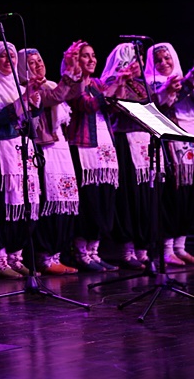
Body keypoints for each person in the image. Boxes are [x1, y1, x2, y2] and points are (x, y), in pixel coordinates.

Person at [17, 45, 83, 275]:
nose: (38, 66)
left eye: (40, 61)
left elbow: (73, 93)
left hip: (60, 145)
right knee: (49, 202)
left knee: (64, 201)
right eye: (31, 63)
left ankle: (56, 254)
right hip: (43, 148)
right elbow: (55, 98)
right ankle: (44, 257)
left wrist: (75, 69)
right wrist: (69, 75)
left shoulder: (50, 84)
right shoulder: (28, 90)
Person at [99, 42, 162, 271]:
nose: (141, 63)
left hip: (145, 144)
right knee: (129, 198)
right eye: (136, 59)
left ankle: (143, 250)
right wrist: (122, 81)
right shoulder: (112, 82)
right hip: (125, 144)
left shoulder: (142, 84)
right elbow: (114, 108)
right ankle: (127, 251)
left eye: (141, 59)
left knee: (146, 196)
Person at [65, 42, 122, 272]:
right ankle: (81, 253)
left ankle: (94, 251)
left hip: (105, 147)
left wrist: (121, 83)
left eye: (93, 55)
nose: (91, 60)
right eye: (85, 56)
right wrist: (114, 86)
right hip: (84, 147)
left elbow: (113, 107)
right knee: (89, 202)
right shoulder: (73, 84)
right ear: (76, 60)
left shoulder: (98, 83)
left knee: (104, 199)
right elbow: (87, 105)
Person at [0, 40, 38, 278]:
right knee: (3, 204)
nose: (8, 60)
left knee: (25, 201)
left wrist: (32, 99)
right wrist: (23, 100)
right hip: (1, 148)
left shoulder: (18, 84)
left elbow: (31, 115)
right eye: (3, 56)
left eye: (12, 56)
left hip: (22, 146)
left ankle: (17, 255)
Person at [144, 42, 194, 266]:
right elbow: (159, 106)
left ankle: (180, 246)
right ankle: (167, 249)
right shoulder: (151, 84)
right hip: (171, 146)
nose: (164, 63)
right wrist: (178, 86)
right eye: (158, 60)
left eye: (167, 58)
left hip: (190, 142)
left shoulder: (183, 80)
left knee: (188, 197)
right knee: (172, 197)